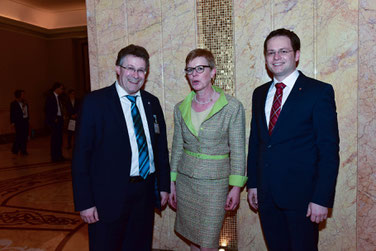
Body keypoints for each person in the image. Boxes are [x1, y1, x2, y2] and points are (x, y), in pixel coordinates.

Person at [247, 28, 340, 251]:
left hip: (304, 199)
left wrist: (321, 198)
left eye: (283, 51)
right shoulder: (259, 94)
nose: (276, 57)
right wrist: (253, 184)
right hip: (267, 197)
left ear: (296, 55)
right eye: (271, 52)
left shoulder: (319, 92)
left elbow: (328, 150)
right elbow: (256, 142)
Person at [71, 44, 170, 251]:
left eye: (141, 70)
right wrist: (85, 202)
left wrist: (163, 185)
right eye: (130, 68)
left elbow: (160, 149)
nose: (136, 75)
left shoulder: (152, 102)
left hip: (144, 194)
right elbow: (81, 156)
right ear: (118, 69)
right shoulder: (95, 102)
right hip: (107, 198)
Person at [169, 48, 247, 251]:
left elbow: (238, 149)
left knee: (208, 242)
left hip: (215, 186)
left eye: (200, 68)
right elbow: (177, 147)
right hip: (186, 183)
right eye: (190, 70)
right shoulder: (180, 108)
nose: (194, 74)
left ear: (213, 72)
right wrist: (172, 183)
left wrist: (236, 187)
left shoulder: (232, 107)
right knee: (195, 240)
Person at [45, 82, 65, 162]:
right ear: (56, 89)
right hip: (55, 120)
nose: (62, 90)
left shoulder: (59, 97)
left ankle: (59, 155)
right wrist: (54, 118)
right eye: (61, 88)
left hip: (59, 119)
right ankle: (55, 157)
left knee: (60, 139)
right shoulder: (50, 97)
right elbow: (47, 109)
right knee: (55, 139)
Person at [10, 90, 29, 155]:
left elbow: (26, 112)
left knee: (25, 136)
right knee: (19, 136)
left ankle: (23, 150)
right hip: (18, 122)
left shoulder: (25, 102)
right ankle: (15, 149)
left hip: (25, 121)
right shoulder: (13, 104)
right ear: (19, 95)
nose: (24, 96)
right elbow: (12, 114)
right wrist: (12, 122)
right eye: (22, 94)